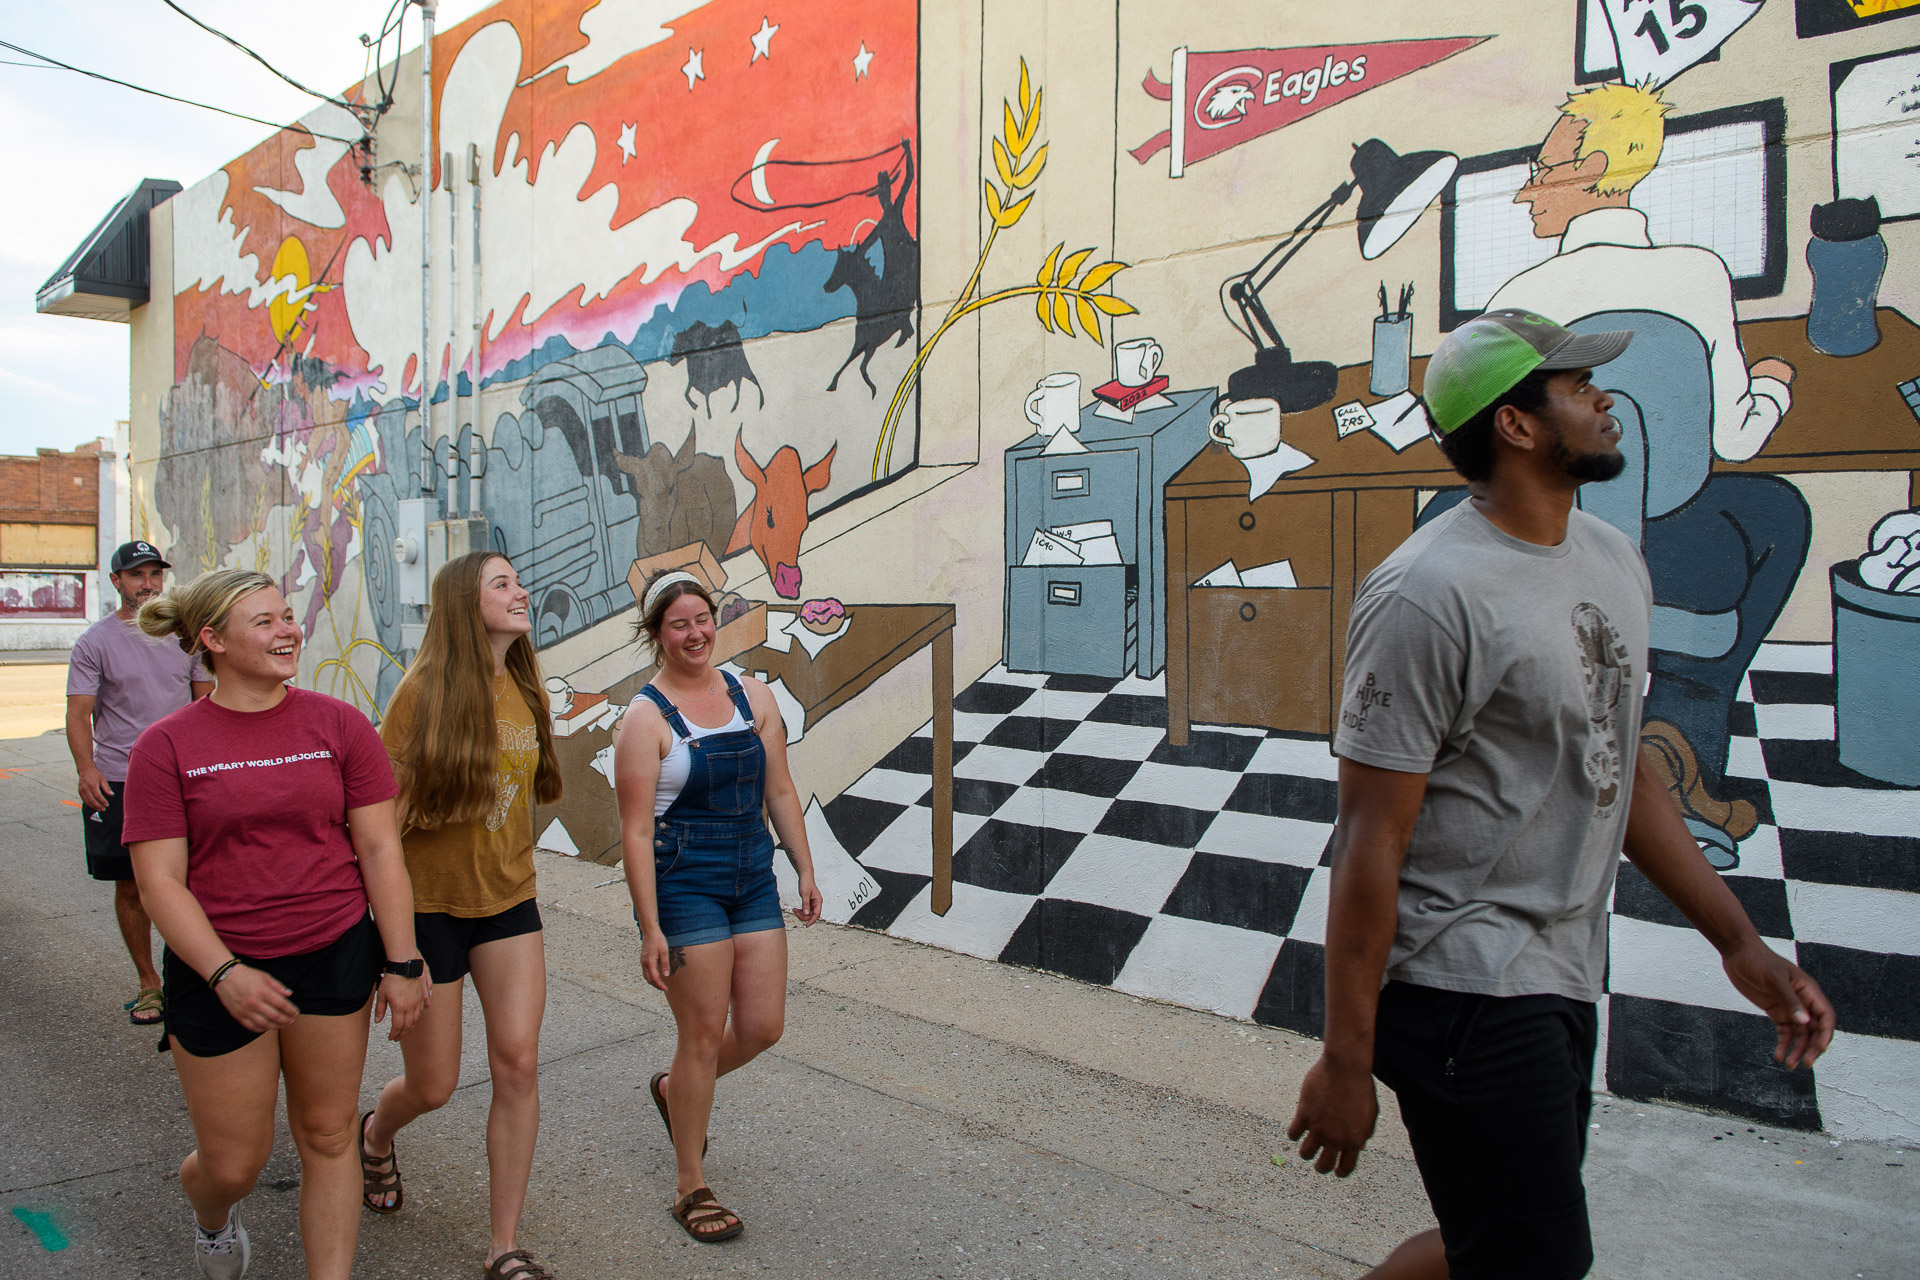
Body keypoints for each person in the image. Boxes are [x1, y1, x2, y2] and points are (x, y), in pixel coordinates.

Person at [1287, 311, 1836, 1280]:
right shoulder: (1428, 593)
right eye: (1579, 387)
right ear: (1518, 425)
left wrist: (1736, 939)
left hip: (1561, 968)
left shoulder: (1610, 559)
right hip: (1460, 984)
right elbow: (1370, 839)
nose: (1604, 399)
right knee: (1534, 1255)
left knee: (1501, 1247)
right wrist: (1346, 1056)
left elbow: (1619, 772)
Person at [1487, 81, 1808, 867]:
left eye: (1543, 167)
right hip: (1673, 533)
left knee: (1446, 519)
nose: (1529, 188)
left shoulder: (1517, 299)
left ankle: (1521, 768)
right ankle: (1682, 741)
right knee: (1779, 513)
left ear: (1594, 166)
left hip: (1549, 537)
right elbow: (1735, 439)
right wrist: (1773, 384)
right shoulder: (1698, 274)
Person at [122, 568, 428, 1280]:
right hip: (217, 967)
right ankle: (213, 1218)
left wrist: (404, 960)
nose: (287, 629)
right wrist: (223, 973)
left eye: (287, 616)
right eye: (263, 621)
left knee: (326, 1134)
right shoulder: (164, 747)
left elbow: (380, 847)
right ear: (213, 641)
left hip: (333, 952)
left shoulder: (339, 723)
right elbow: (158, 882)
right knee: (234, 1163)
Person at [358, 552, 562, 1280]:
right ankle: (376, 1135)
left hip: (509, 903)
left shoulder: (526, 685)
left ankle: (503, 1244)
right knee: (434, 1085)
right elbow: (384, 826)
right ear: (461, 603)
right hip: (429, 911)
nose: (520, 592)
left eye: (517, 581)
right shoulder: (421, 695)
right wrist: (397, 953)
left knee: (519, 1062)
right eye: (500, 584)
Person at [613, 571, 824, 1242]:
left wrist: (805, 869)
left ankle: (679, 1091)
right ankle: (690, 1184)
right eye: (679, 624)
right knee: (701, 1035)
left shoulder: (752, 695)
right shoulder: (644, 720)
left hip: (751, 875)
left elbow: (781, 791)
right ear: (657, 636)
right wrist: (649, 925)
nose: (696, 633)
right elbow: (637, 833)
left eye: (702, 618)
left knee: (762, 1027)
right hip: (685, 883)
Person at [65, 540, 212, 1026]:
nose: (147, 584)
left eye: (154, 574)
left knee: (197, 879)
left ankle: (199, 974)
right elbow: (79, 713)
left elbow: (206, 706)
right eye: (136, 575)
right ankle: (150, 984)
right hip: (120, 778)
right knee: (132, 887)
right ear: (116, 582)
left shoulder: (185, 636)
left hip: (186, 777)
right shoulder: (95, 641)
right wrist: (87, 770)